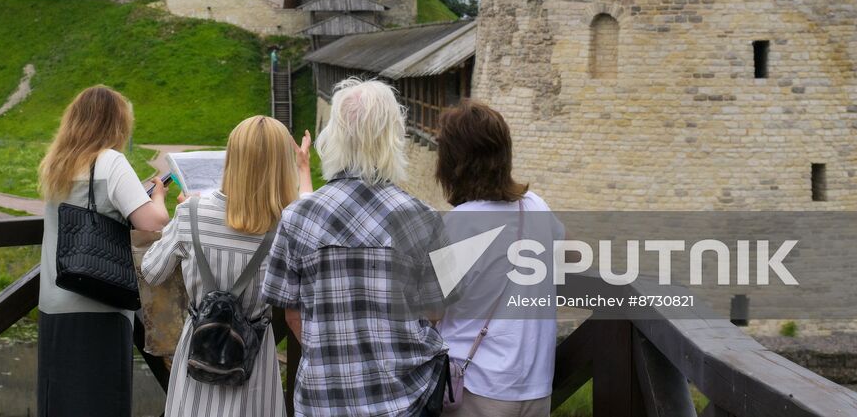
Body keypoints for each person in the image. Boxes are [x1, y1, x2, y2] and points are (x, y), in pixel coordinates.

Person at [261, 78, 448, 417]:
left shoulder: (298, 216)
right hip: (403, 400)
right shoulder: (424, 218)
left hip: (323, 400)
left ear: (333, 136)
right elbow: (435, 314)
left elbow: (291, 312)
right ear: (393, 138)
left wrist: (335, 359)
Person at [142, 116, 313, 417]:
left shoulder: (192, 213)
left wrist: (185, 219)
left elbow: (152, 270)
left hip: (198, 356)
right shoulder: (290, 226)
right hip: (254, 363)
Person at [36, 85, 169, 417]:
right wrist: (158, 198)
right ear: (116, 123)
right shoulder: (111, 161)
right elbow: (152, 224)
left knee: (62, 403)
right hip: (100, 302)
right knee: (101, 401)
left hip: (54, 303)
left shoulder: (58, 162)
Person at [435, 99, 559, 417]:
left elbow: (431, 308)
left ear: (452, 162)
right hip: (535, 385)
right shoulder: (534, 206)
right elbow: (570, 254)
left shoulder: (459, 223)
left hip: (476, 385)